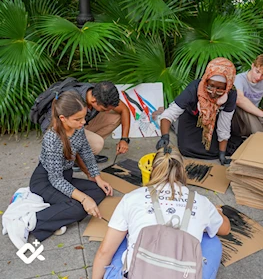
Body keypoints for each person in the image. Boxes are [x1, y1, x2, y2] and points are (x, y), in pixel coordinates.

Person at [92, 146, 231, 279]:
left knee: (123, 233)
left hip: (137, 273)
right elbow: (225, 229)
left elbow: (104, 252)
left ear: (152, 170)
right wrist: (217, 212)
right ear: (183, 170)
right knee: (212, 241)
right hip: (182, 273)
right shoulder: (201, 202)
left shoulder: (132, 197)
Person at [29, 91, 113, 241]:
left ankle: (59, 212)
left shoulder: (78, 129)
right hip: (45, 182)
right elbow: (55, 179)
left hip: (65, 177)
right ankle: (34, 220)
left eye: (84, 117)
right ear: (63, 118)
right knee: (78, 205)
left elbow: (86, 152)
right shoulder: (52, 138)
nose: (83, 123)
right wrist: (84, 199)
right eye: (78, 119)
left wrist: (98, 178)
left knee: (99, 191)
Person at [156, 57, 237, 165]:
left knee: (214, 151)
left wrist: (222, 154)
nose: (213, 92)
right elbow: (169, 113)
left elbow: (224, 124)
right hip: (191, 117)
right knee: (186, 149)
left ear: (228, 87)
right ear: (206, 80)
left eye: (219, 88)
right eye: (211, 85)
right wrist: (164, 136)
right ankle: (176, 127)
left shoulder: (231, 94)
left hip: (213, 122)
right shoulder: (193, 88)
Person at [40, 81, 131, 166]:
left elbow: (124, 109)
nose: (108, 111)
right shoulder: (72, 101)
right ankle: (73, 158)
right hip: (58, 131)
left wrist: (124, 139)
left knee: (116, 117)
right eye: (104, 109)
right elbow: (54, 129)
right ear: (94, 101)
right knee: (97, 144)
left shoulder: (100, 93)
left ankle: (84, 151)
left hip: (78, 126)